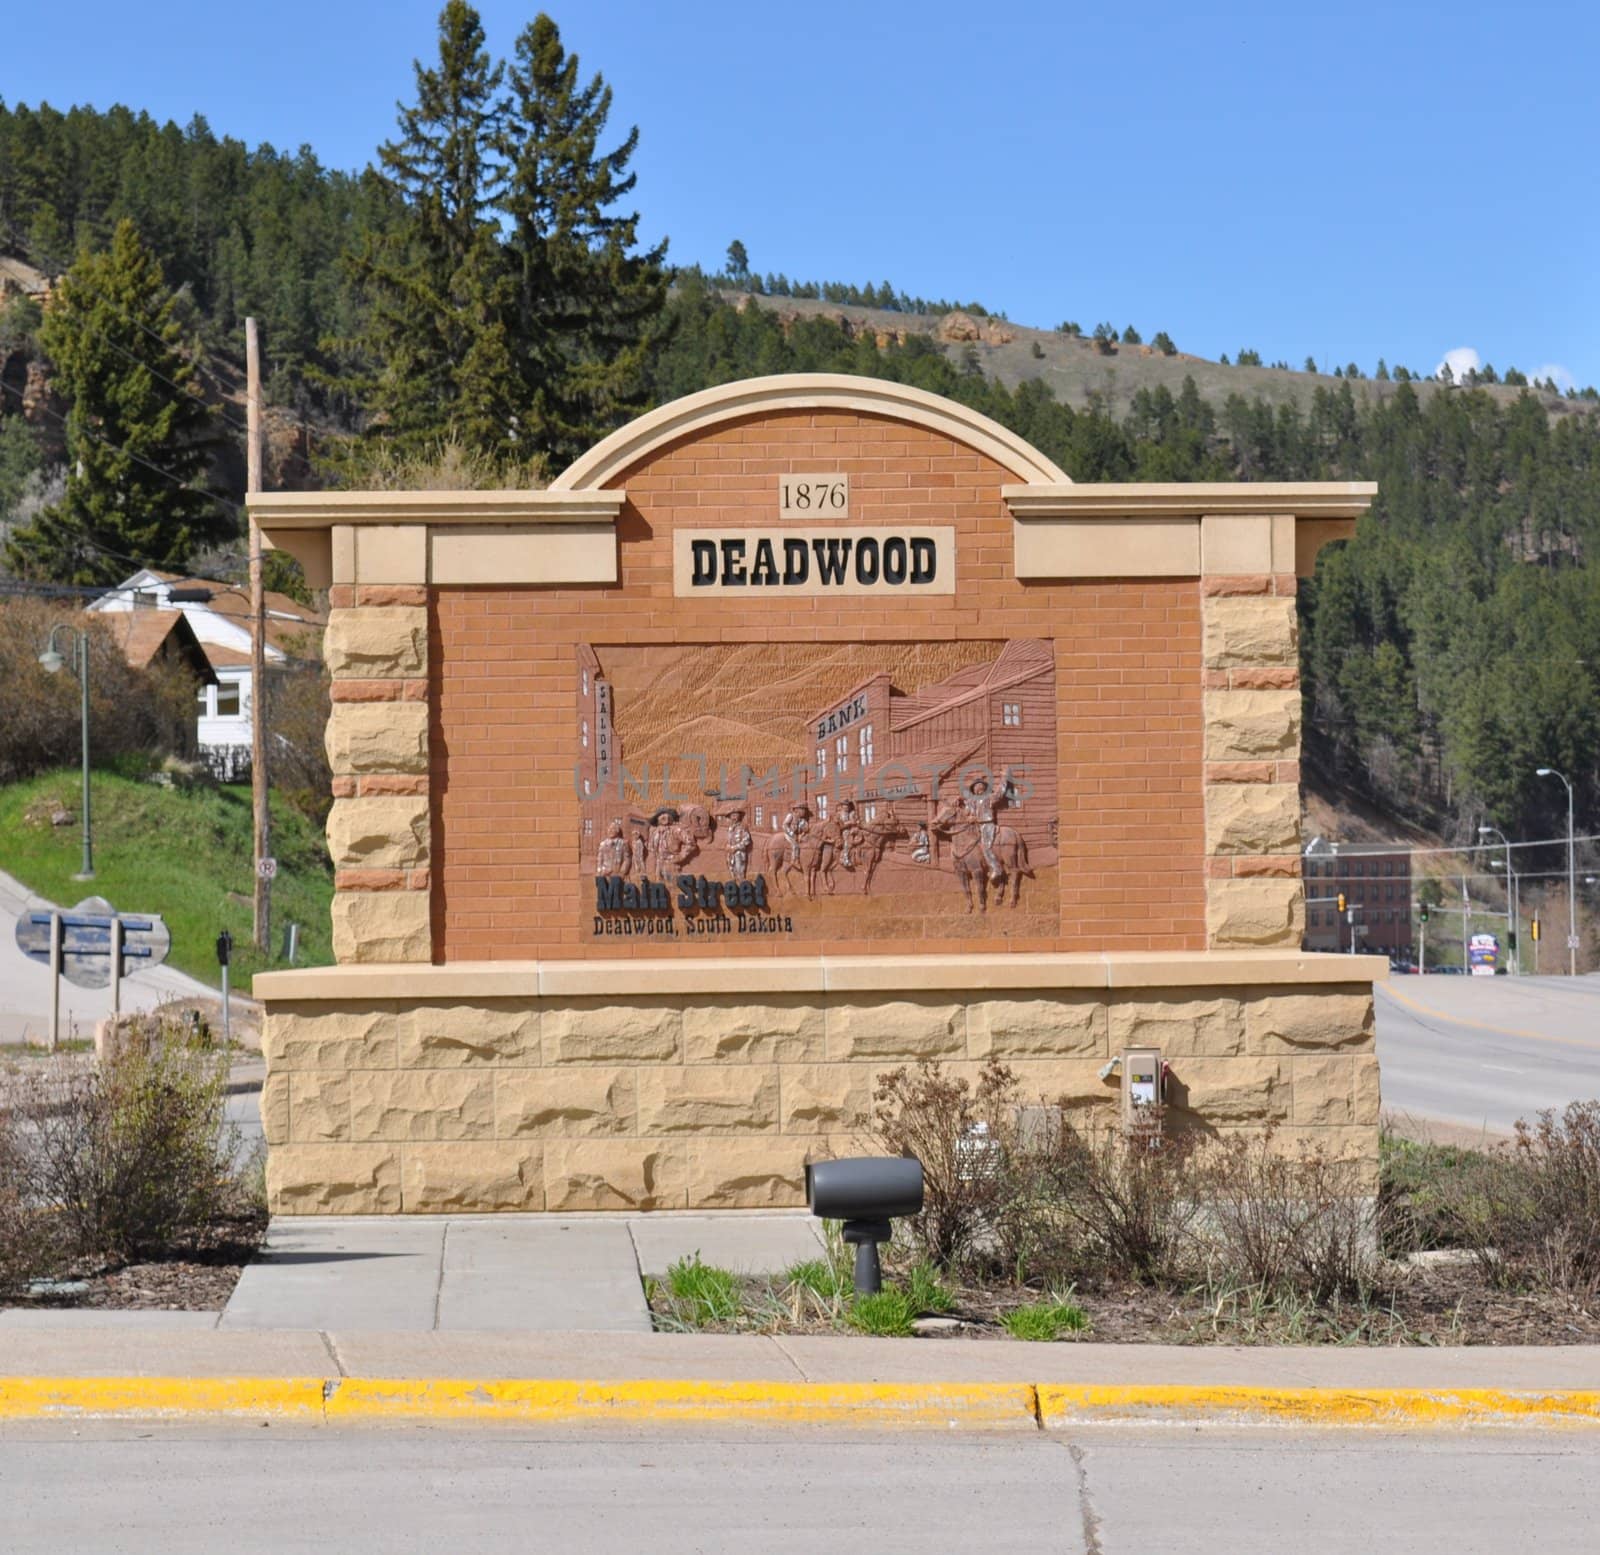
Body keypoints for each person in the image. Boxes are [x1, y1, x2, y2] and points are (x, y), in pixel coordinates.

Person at [962, 775, 1003, 885]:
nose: (978, 788)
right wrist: (969, 816)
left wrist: (1004, 778)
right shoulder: (972, 801)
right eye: (976, 786)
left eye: (980, 785)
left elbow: (999, 793)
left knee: (986, 847)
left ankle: (996, 868)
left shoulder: (989, 797)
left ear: (984, 788)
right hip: (976, 826)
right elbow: (967, 812)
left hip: (987, 825)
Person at [722, 808, 752, 882]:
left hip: (739, 853)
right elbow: (727, 840)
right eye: (732, 816)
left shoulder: (742, 827)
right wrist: (727, 846)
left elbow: (747, 840)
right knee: (732, 871)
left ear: (739, 816)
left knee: (740, 872)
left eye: (736, 815)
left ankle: (742, 884)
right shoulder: (730, 828)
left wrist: (736, 847)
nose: (734, 817)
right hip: (730, 854)